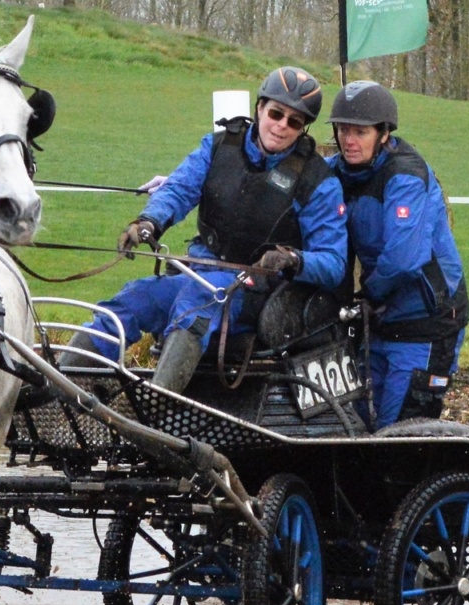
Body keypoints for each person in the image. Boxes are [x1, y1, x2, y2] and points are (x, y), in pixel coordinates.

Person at [67, 66, 348, 393]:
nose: (282, 125)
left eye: (295, 121)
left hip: (257, 293)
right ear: (259, 108)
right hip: (200, 272)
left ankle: (160, 401)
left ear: (303, 129)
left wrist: (292, 260)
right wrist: (148, 222)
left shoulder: (318, 182)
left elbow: (334, 263)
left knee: (199, 302)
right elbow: (179, 189)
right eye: (276, 113)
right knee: (134, 298)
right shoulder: (217, 148)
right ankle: (60, 382)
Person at [326, 80, 469, 429]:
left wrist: (368, 293)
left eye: (360, 132)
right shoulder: (336, 171)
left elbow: (404, 259)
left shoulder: (405, 174)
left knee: (397, 435)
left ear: (384, 134)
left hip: (427, 323)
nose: (349, 140)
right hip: (381, 323)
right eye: (343, 130)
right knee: (354, 426)